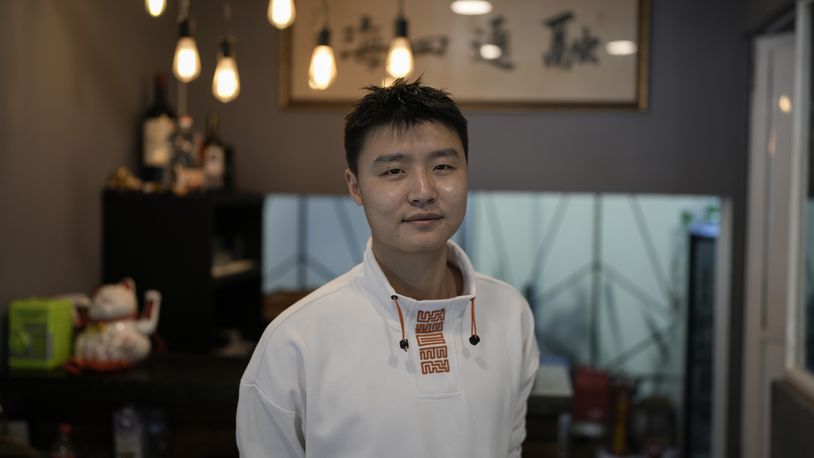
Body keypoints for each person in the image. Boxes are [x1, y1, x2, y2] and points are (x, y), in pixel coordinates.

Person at [236, 79, 539, 457]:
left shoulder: (510, 313)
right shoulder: (295, 341)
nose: (423, 190)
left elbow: (509, 447)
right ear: (355, 186)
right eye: (394, 171)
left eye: (443, 166)